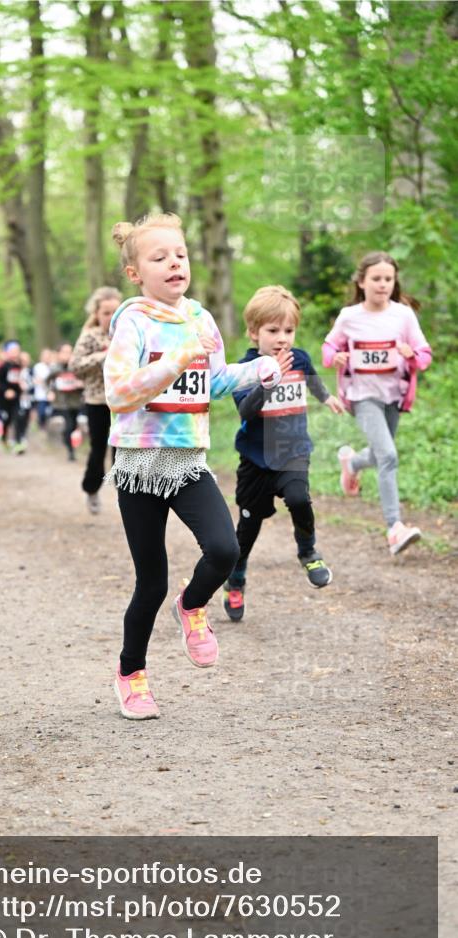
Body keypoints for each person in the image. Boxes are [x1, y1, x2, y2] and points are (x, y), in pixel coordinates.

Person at [104, 213, 281, 720]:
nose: (174, 263)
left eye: (179, 255)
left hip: (186, 460)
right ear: (136, 273)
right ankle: (132, 675)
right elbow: (119, 393)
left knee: (224, 549)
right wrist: (175, 359)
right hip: (140, 463)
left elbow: (215, 380)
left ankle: (192, 604)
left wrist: (256, 370)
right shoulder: (133, 321)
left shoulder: (201, 320)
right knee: (150, 583)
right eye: (159, 258)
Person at [223, 286, 344, 623]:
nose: (282, 339)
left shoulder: (299, 358)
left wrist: (327, 398)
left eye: (288, 331)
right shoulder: (244, 369)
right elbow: (246, 412)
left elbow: (312, 380)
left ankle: (308, 552)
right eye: (273, 330)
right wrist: (268, 381)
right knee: (248, 527)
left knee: (299, 499)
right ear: (254, 333)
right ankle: (236, 578)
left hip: (293, 451)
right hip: (256, 459)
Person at [322, 251, 432, 556]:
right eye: (376, 278)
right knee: (389, 456)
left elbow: (425, 355)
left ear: (394, 282)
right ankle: (395, 528)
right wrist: (336, 357)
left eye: (388, 279)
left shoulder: (403, 315)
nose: (383, 284)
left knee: (382, 453)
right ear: (362, 282)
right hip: (362, 395)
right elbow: (328, 348)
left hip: (394, 395)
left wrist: (412, 354)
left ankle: (352, 463)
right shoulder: (349, 316)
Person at [70, 286, 122, 513]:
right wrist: (103, 355)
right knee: (98, 449)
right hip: (97, 401)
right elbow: (75, 365)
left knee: (123, 449)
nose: (110, 317)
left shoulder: (128, 333)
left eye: (114, 312)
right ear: (97, 314)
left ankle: (127, 497)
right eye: (106, 313)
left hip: (124, 402)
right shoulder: (90, 336)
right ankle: (91, 490)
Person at [48, 343, 85, 461]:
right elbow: (48, 382)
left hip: (75, 402)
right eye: (64, 352)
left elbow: (84, 381)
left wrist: (81, 385)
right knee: (69, 425)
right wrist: (50, 392)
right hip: (61, 402)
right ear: (58, 354)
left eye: (70, 352)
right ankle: (71, 451)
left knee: (73, 425)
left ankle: (67, 439)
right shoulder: (55, 369)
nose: (67, 355)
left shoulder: (76, 368)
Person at [0, 341, 23, 452]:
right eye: (13, 351)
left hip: (16, 398)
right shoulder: (3, 367)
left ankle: (18, 442)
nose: (16, 353)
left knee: (18, 418)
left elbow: (17, 381)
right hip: (4, 399)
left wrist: (20, 387)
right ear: (8, 352)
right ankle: (4, 438)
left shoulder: (18, 366)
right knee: (7, 420)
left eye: (17, 351)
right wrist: (6, 390)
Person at [32, 348, 54, 428]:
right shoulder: (38, 367)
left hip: (52, 394)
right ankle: (41, 426)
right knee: (42, 413)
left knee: (51, 413)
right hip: (41, 395)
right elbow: (38, 380)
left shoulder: (53, 366)